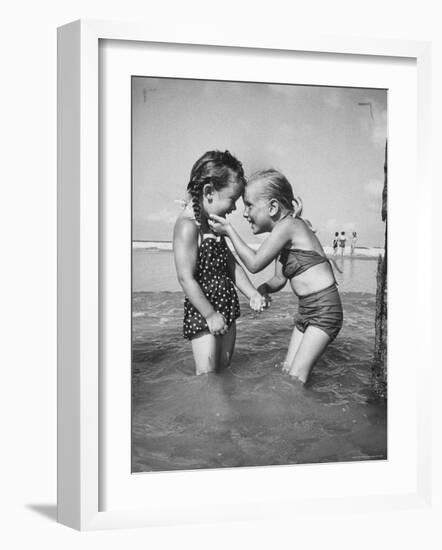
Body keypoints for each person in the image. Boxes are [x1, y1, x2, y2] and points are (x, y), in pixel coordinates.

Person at [209, 169, 343, 385]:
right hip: (307, 310)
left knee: (297, 376)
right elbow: (279, 279)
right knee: (288, 372)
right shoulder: (283, 234)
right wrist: (263, 290)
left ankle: (302, 417)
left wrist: (229, 231)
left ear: (272, 207)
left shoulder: (289, 226)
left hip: (325, 310)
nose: (245, 213)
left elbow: (254, 264)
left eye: (249, 205)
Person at [173, 150, 266, 375]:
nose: (234, 208)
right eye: (232, 200)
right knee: (207, 376)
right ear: (209, 192)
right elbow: (185, 278)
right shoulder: (188, 226)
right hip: (203, 311)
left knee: (224, 371)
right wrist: (210, 315)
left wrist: (252, 293)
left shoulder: (214, 225)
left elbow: (231, 265)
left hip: (227, 306)